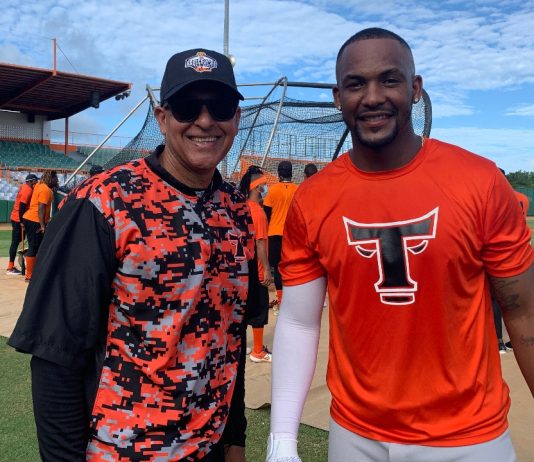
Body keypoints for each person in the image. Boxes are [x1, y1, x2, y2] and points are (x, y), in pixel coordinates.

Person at [267, 28, 534, 462]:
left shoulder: (479, 181)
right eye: (356, 84)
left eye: (389, 80)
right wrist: (281, 440)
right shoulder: (313, 198)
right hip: (354, 432)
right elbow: (299, 322)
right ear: (337, 97)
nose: (372, 97)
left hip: (468, 436)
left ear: (415, 89)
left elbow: (524, 313)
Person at [9, 48, 254, 461]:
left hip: (210, 447)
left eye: (221, 106)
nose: (205, 120)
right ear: (162, 118)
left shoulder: (238, 212)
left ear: (236, 118)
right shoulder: (103, 202)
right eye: (187, 107)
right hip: (125, 451)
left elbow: (231, 338)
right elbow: (55, 357)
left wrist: (235, 439)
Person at [238, 165, 274, 363]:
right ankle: (258, 351)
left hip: (244, 267)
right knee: (259, 309)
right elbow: (260, 242)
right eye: (264, 185)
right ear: (257, 187)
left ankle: (241, 346)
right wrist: (267, 269)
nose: (266, 188)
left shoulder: (242, 206)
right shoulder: (258, 212)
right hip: (257, 268)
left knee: (243, 309)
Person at [263, 160, 298, 308]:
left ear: (279, 174)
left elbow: (266, 214)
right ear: (291, 173)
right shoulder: (298, 189)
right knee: (291, 267)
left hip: (274, 233)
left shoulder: (272, 190)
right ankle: (292, 300)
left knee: (277, 268)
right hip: (292, 234)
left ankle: (281, 301)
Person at [21, 170, 58, 282]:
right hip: (35, 220)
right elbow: (41, 207)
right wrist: (42, 225)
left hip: (30, 218)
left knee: (37, 246)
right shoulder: (45, 190)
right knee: (34, 247)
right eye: (55, 178)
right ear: (50, 179)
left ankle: (33, 272)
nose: (57, 180)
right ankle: (29, 276)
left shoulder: (39, 185)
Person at [5, 173, 38, 275]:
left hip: (16, 217)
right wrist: (21, 222)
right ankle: (10, 267)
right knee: (15, 242)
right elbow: (22, 206)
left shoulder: (24, 187)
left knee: (18, 240)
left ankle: (12, 265)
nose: (36, 183)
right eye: (35, 181)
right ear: (31, 181)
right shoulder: (28, 190)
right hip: (18, 218)